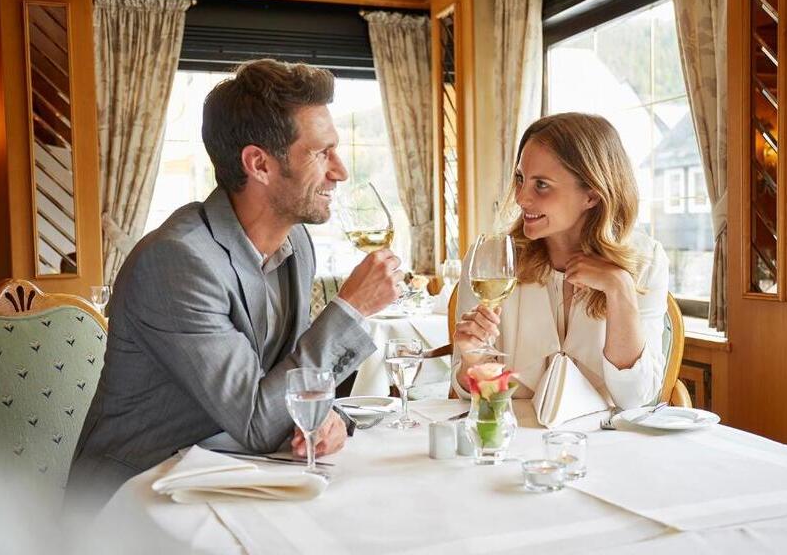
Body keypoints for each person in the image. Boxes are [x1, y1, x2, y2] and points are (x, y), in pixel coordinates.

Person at [67, 59, 403, 505]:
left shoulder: (297, 243)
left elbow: (289, 382)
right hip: (139, 496)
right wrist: (351, 308)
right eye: (321, 153)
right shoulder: (177, 262)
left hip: (233, 475)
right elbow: (257, 423)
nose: (340, 170)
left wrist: (328, 416)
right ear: (259, 164)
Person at [452, 113, 669, 408]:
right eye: (520, 179)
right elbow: (482, 400)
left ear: (591, 195)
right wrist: (472, 359)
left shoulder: (646, 262)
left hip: (606, 437)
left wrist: (620, 288)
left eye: (541, 184)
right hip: (516, 434)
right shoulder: (489, 262)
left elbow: (634, 399)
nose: (521, 198)